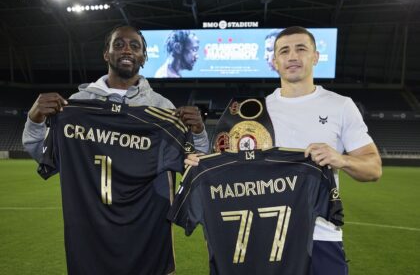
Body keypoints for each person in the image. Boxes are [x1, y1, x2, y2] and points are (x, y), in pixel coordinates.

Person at [186, 26, 382, 275]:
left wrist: (341, 159)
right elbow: (231, 171)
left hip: (321, 237)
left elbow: (373, 168)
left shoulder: (341, 106)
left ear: (315, 57)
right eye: (284, 51)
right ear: (274, 61)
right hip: (265, 238)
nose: (292, 56)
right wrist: (203, 164)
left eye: (301, 49)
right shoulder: (253, 112)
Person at [23, 25, 208, 161]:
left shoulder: (163, 107)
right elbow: (46, 156)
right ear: (106, 54)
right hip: (91, 213)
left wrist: (198, 133)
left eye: (135, 47)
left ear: (144, 58)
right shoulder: (78, 103)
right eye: (118, 45)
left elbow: (194, 161)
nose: (127, 50)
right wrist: (35, 119)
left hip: (150, 214)